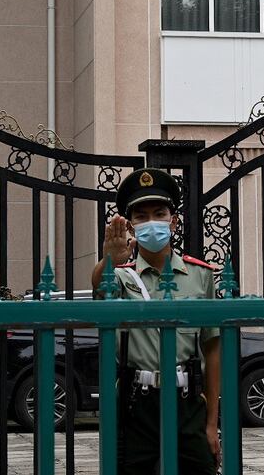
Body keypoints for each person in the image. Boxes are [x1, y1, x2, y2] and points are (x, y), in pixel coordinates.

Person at [91, 168, 221, 475]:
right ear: (132, 225)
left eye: (159, 213)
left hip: (187, 400)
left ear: (173, 221)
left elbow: (212, 349)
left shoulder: (200, 275)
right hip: (137, 402)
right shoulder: (122, 275)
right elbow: (99, 288)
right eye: (141, 216)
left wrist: (212, 422)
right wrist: (108, 259)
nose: (151, 222)